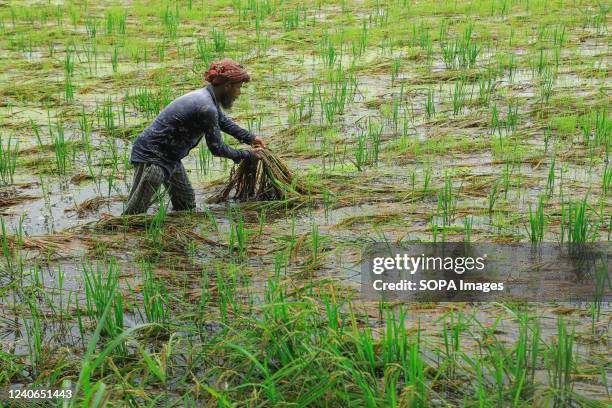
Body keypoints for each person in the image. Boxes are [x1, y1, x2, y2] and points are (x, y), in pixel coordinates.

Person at [122, 58, 265, 215]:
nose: (239, 93)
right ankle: (118, 233)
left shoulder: (209, 98)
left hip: (170, 156)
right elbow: (217, 148)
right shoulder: (206, 107)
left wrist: (250, 138)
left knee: (186, 205)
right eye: (238, 88)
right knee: (134, 213)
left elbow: (222, 121)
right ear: (227, 86)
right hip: (151, 157)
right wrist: (247, 154)